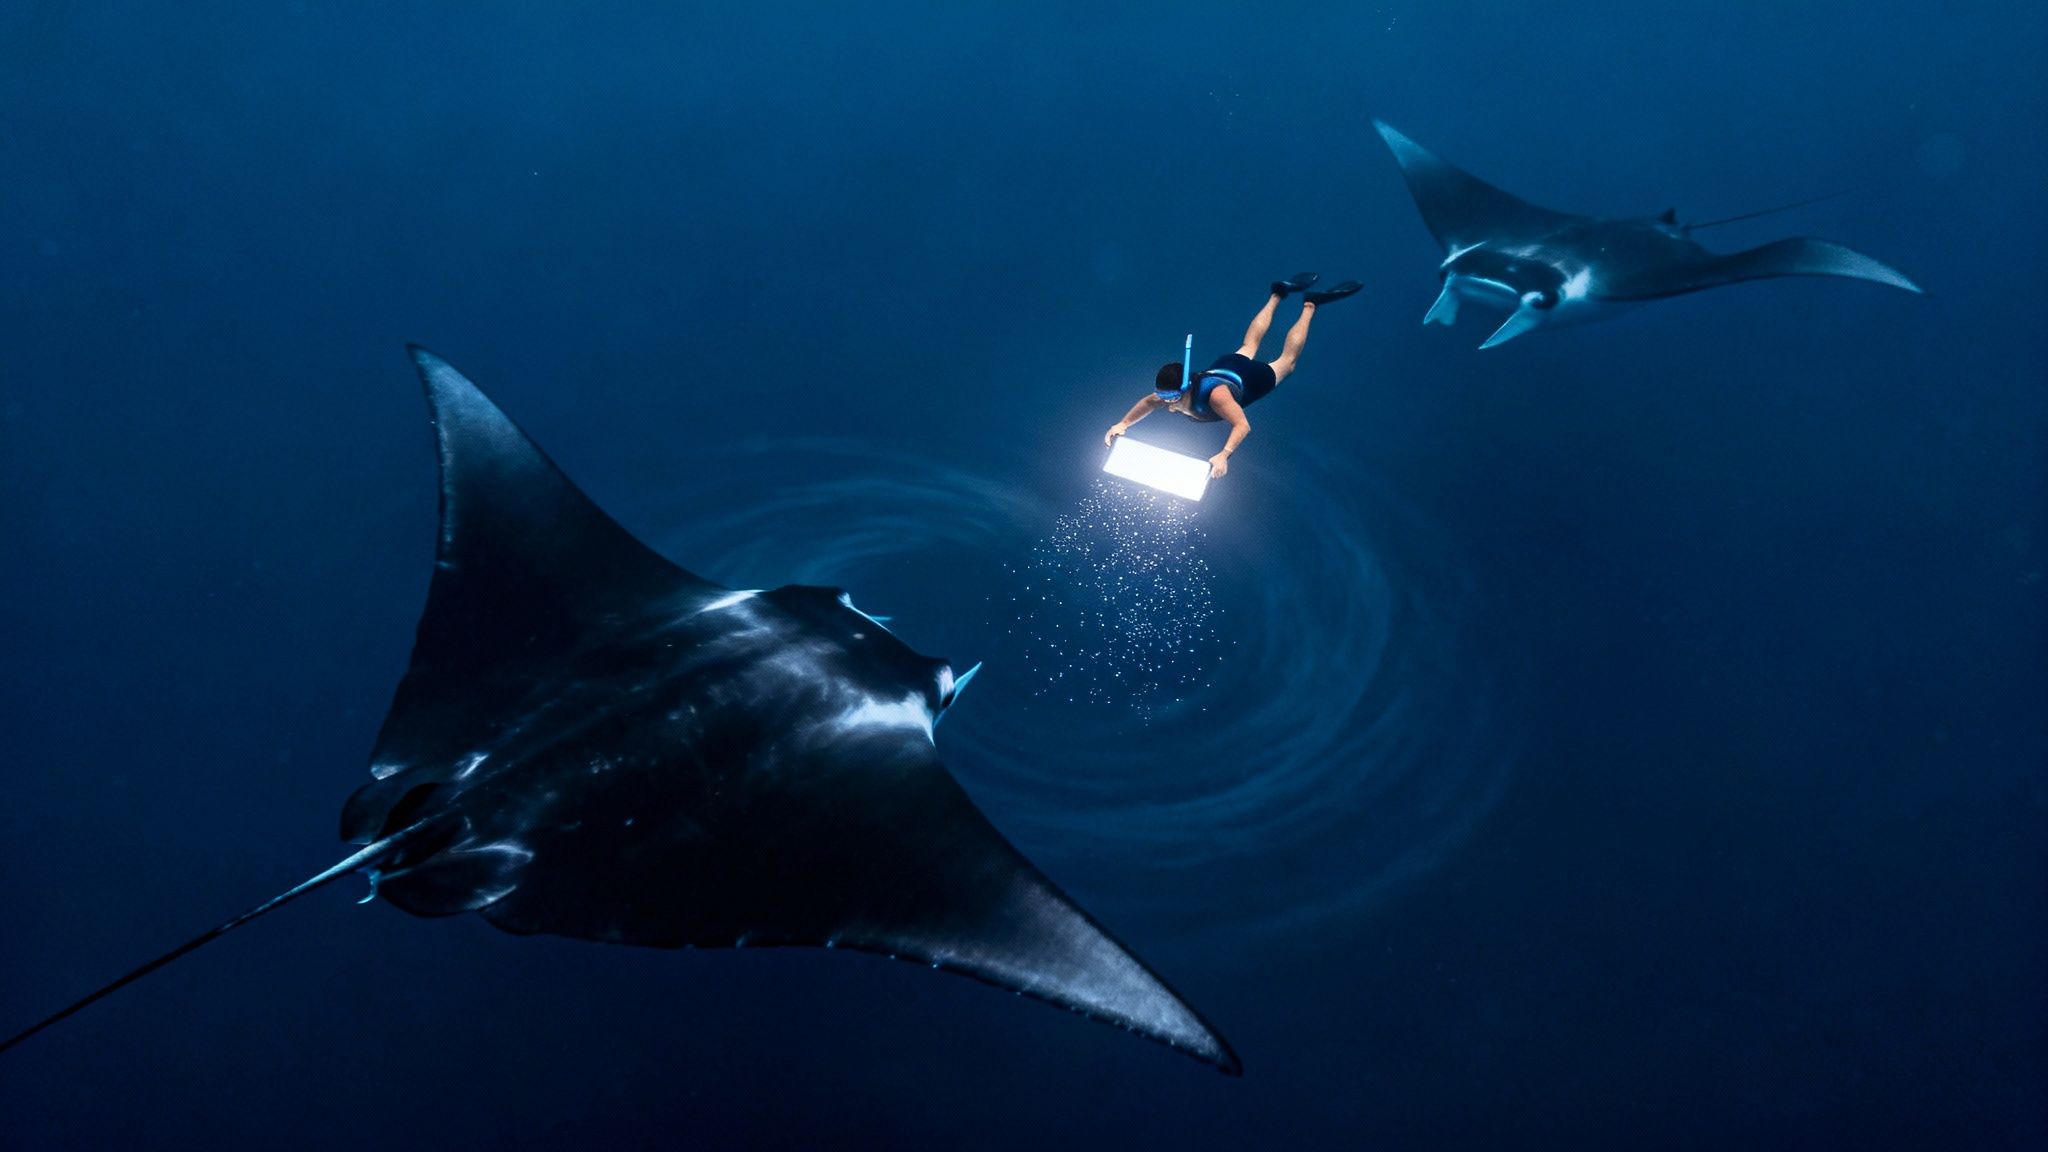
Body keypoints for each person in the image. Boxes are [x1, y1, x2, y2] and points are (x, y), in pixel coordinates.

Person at [1104, 273, 1361, 478]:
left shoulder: (1217, 398)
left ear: (1185, 387)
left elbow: (1242, 425)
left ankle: (1310, 304)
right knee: (1248, 345)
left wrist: (1224, 454)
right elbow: (1148, 402)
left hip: (1246, 378)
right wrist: (1123, 424)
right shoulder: (1167, 394)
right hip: (1224, 367)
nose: (1165, 401)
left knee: (1287, 363)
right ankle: (1278, 293)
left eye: (1170, 396)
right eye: (1163, 395)